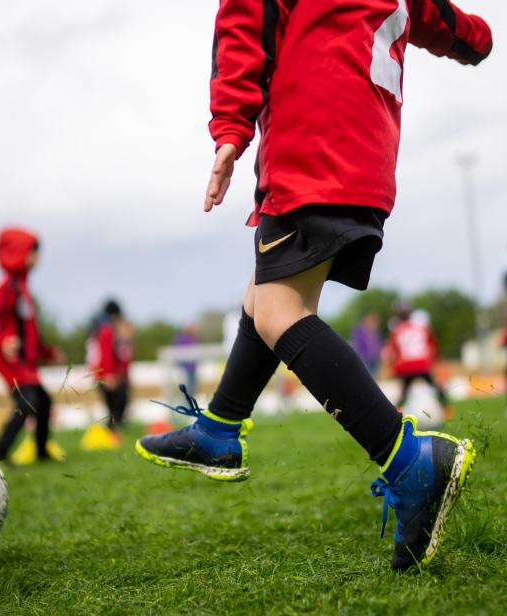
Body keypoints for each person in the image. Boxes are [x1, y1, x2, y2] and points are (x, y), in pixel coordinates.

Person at [136, 1, 492, 572]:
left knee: (280, 310)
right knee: (263, 297)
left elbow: (244, 23)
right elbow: (449, 25)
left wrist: (230, 128)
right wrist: (476, 42)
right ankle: (220, 429)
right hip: (367, 157)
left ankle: (409, 461)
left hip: (313, 146)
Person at [0, 227, 63, 462]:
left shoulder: (22, 288)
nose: (38, 258)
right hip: (12, 362)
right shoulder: (7, 287)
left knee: (44, 402)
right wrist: (4, 341)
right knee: (27, 402)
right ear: (20, 253)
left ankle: (41, 452)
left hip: (27, 365)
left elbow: (29, 330)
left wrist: (46, 352)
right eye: (34, 252)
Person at [385, 302, 450, 412]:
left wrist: (393, 369)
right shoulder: (421, 327)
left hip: (405, 365)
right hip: (422, 364)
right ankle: (446, 408)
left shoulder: (396, 330)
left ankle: (397, 412)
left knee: (404, 392)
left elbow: (392, 352)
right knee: (434, 386)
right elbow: (433, 344)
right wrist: (435, 360)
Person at [87, 300, 134, 432]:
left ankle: (112, 431)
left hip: (105, 374)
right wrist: (108, 374)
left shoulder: (105, 330)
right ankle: (110, 432)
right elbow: (105, 354)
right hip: (105, 374)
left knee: (117, 406)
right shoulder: (107, 331)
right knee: (115, 407)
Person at [172, 324, 199, 396]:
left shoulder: (194, 338)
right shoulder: (181, 338)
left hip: (192, 369)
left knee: (193, 389)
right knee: (185, 390)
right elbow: (177, 352)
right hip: (184, 369)